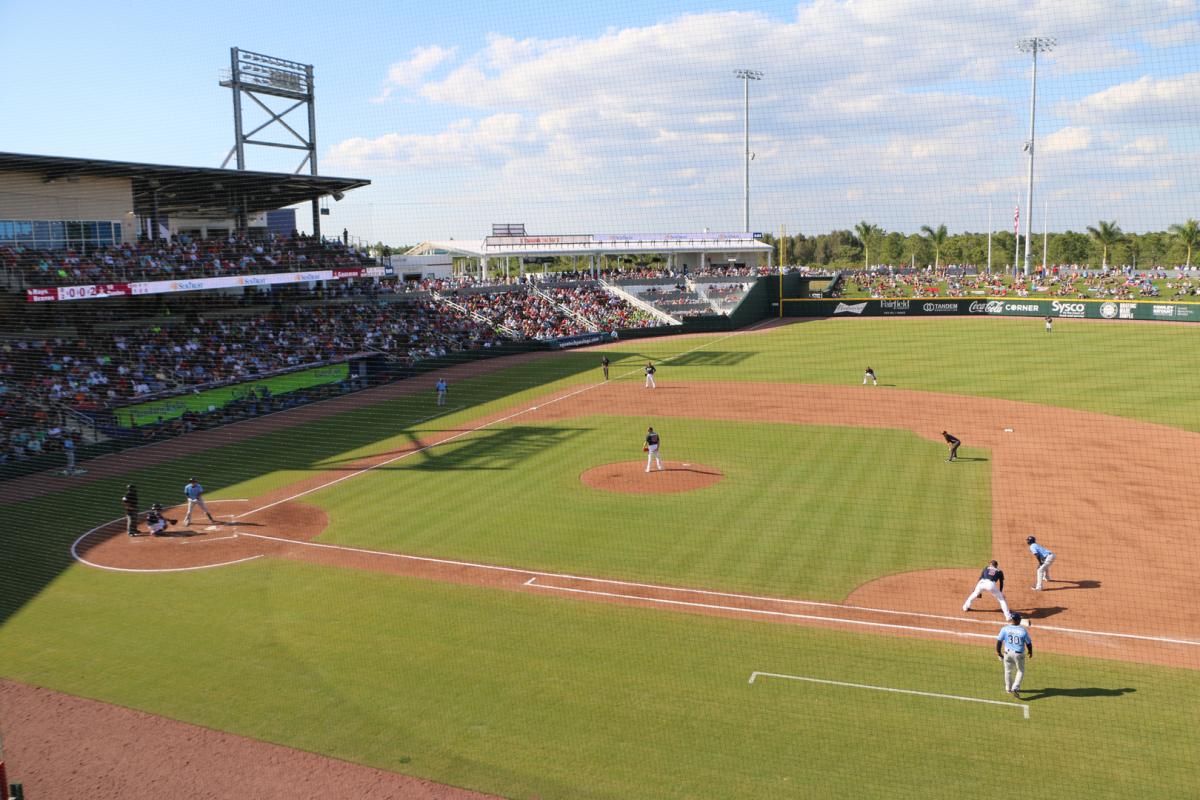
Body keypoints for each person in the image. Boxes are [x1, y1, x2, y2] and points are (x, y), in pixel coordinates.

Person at [995, 612, 1033, 699]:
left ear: (1012, 620)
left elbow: (999, 641)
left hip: (1007, 653)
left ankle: (1008, 689)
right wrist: (1030, 652)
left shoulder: (1005, 629)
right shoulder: (1023, 631)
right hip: (1019, 654)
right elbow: (1029, 643)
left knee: (1008, 671)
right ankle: (1015, 687)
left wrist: (998, 652)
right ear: (1019, 620)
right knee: (1020, 671)